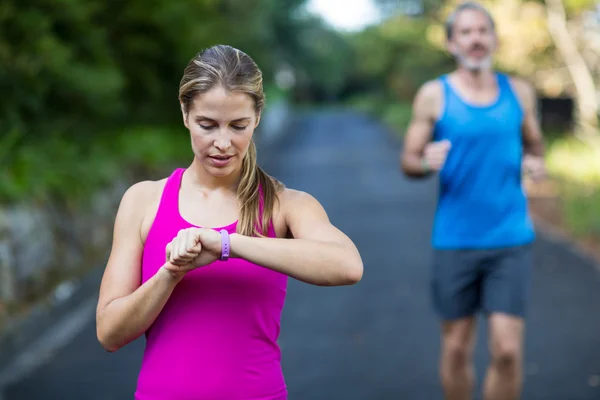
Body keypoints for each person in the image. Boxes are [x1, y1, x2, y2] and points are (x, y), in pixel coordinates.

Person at [96, 44, 363, 400]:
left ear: (257, 118)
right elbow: (110, 333)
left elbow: (348, 266)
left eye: (238, 126)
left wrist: (226, 244)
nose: (222, 143)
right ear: (185, 113)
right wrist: (171, 272)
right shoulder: (144, 200)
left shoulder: (286, 205)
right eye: (208, 125)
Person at [401, 2, 546, 400]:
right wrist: (424, 161)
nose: (476, 38)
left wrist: (535, 163)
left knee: (508, 349)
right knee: (457, 346)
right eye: (466, 32)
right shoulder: (434, 95)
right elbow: (408, 160)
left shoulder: (519, 92)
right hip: (455, 240)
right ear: (451, 43)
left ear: (495, 38)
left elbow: (535, 144)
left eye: (483, 30)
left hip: (510, 237)